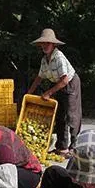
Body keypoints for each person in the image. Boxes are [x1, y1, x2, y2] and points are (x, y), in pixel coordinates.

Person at [26, 28, 82, 156]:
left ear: (53, 45)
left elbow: (65, 80)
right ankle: (61, 147)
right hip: (58, 84)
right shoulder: (44, 60)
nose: (45, 46)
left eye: (48, 43)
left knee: (71, 115)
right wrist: (29, 93)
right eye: (43, 43)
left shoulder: (58, 57)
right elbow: (39, 78)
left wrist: (49, 93)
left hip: (70, 83)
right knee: (60, 115)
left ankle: (74, 147)